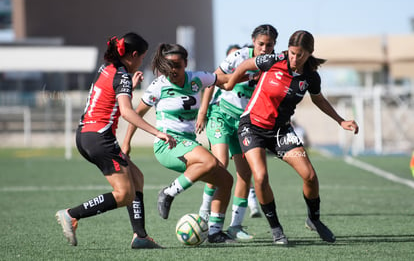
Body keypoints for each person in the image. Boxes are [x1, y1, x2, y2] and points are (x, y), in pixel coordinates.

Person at [221, 30, 359, 245]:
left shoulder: (311, 76)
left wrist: (340, 120)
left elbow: (319, 100)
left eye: (300, 55)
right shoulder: (274, 60)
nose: (295, 58)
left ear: (309, 53)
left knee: (310, 176)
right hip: (252, 127)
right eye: (293, 53)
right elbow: (248, 64)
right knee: (260, 177)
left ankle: (314, 219)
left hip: (281, 132)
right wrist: (230, 83)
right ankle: (276, 229)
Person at [55, 32, 176, 249]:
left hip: (86, 134)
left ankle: (140, 236)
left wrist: (130, 83)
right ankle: (71, 214)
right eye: (141, 58)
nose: (141, 63)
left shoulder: (109, 68)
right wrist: (157, 132)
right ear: (133, 55)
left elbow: (112, 94)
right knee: (124, 194)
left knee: (137, 177)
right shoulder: (121, 76)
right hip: (99, 138)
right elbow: (127, 112)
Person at [122, 43, 238, 244]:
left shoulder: (196, 78)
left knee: (226, 181)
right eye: (168, 66)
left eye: (177, 65)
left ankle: (215, 233)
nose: (173, 70)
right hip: (168, 145)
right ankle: (168, 193)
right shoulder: (159, 85)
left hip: (188, 144)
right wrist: (126, 144)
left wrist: (253, 73)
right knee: (210, 162)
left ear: (185, 63)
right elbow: (135, 114)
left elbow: (226, 80)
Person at [196, 24, 278, 240]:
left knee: (246, 173)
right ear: (253, 42)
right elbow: (212, 81)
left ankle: (235, 226)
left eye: (269, 45)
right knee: (219, 166)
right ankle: (204, 214)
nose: (264, 48)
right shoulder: (239, 57)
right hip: (221, 116)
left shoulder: (275, 64)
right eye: (261, 44)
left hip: (245, 125)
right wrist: (202, 111)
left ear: (274, 45)